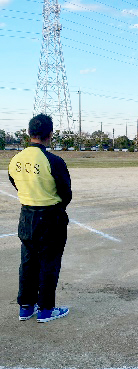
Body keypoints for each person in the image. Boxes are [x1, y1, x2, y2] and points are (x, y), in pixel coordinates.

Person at [8, 114, 71, 323]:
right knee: (49, 263)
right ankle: (46, 309)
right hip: (50, 217)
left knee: (28, 262)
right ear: (50, 134)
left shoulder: (15, 160)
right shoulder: (54, 161)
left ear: (29, 133)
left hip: (26, 216)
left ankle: (26, 307)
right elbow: (66, 193)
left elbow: (15, 182)